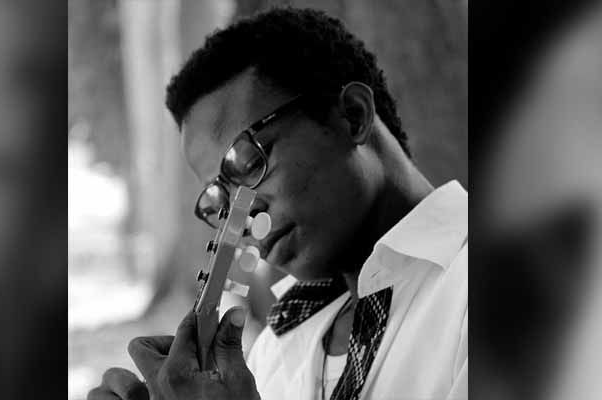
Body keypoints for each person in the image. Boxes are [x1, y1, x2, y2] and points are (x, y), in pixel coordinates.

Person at [88, 7, 467, 400]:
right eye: (220, 200)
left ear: (353, 116)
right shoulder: (275, 350)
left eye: (249, 163)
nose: (242, 216)